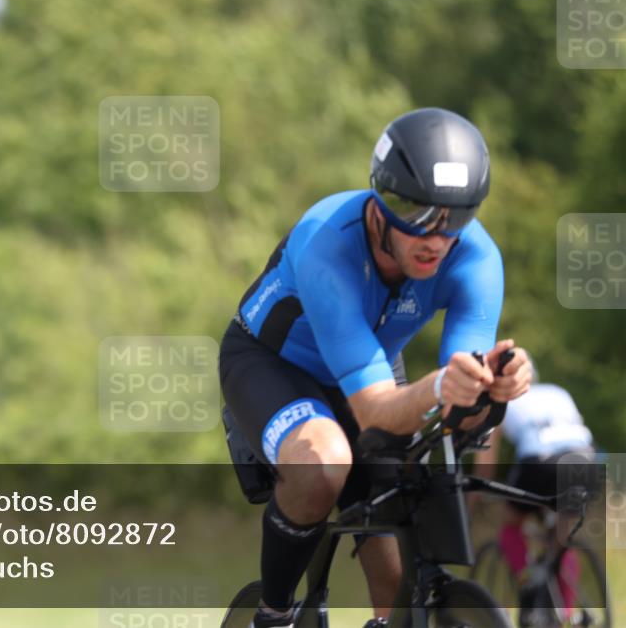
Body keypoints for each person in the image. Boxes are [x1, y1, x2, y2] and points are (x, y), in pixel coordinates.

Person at [218, 107, 534, 628]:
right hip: (271, 365)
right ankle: (271, 613)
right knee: (325, 464)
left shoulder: (476, 258)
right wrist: (442, 387)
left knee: (396, 563)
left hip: (373, 373)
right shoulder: (328, 242)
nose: (436, 237)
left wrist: (493, 390)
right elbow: (377, 411)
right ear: (381, 202)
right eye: (418, 213)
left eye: (456, 216)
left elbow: (461, 406)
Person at [473, 374, 596, 624]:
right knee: (563, 536)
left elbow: (486, 463)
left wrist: (475, 496)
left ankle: (528, 583)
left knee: (510, 525)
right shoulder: (556, 389)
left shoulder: (499, 399)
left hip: (540, 458)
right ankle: (567, 613)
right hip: (585, 458)